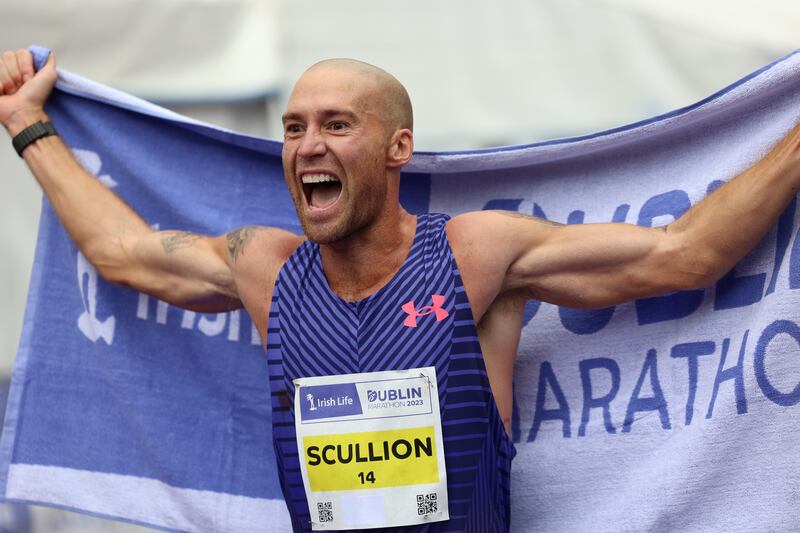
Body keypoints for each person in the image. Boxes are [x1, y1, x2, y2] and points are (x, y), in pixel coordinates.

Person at [1, 48, 799, 532]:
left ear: (397, 148)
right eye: (294, 127)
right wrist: (27, 125)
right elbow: (125, 254)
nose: (308, 143)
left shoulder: (476, 253)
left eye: (337, 124)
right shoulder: (266, 269)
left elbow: (683, 253)